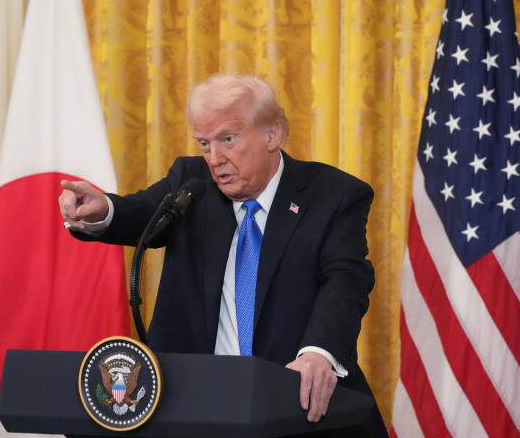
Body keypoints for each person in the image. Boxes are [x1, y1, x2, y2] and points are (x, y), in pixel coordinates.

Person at [59, 75, 387, 437]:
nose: (215, 159)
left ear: (272, 135)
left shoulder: (334, 195)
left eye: (228, 139)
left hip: (294, 405)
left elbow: (345, 281)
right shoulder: (191, 183)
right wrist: (102, 210)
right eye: (204, 143)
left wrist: (318, 354)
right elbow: (141, 213)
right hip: (195, 405)